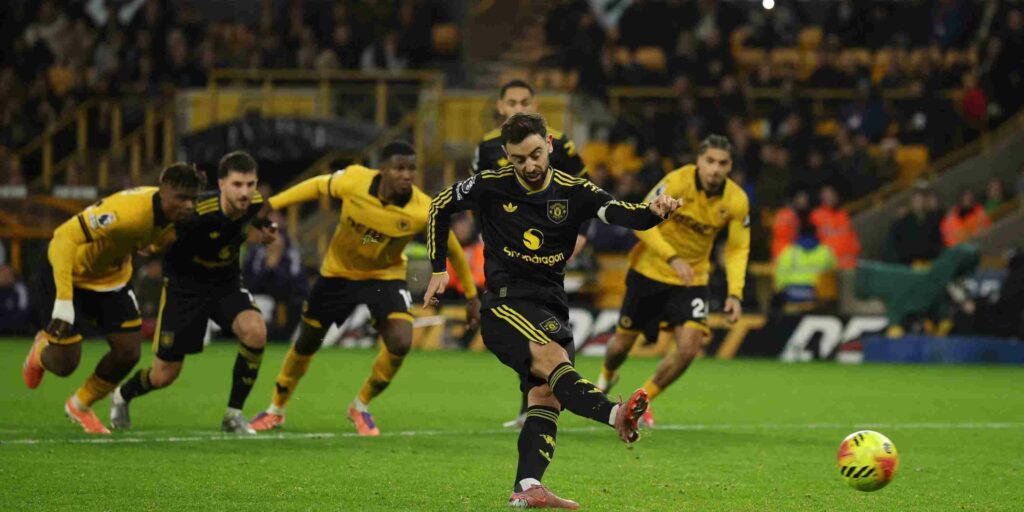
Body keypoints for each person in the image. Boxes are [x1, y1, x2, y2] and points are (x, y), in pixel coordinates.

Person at [423, 113, 680, 508]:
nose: (528, 165)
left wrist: (655, 211)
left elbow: (621, 213)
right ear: (506, 155)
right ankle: (616, 414)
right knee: (552, 360)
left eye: (535, 155)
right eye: (518, 159)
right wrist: (439, 268)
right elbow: (439, 204)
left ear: (549, 144)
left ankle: (527, 485)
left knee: (545, 396)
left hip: (551, 305)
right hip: (505, 303)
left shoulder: (574, 191)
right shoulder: (491, 184)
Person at [249, 141, 480, 435]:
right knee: (307, 341)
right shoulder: (354, 180)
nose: (406, 175)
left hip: (385, 277)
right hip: (338, 274)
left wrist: (472, 296)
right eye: (399, 168)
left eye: (411, 168)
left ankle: (360, 405)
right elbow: (318, 186)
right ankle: (276, 410)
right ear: (382, 169)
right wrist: (273, 204)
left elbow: (454, 251)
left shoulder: (424, 210)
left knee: (401, 341)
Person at [22, 163, 204, 434]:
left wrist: (153, 243)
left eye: (193, 199)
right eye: (182, 198)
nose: (189, 205)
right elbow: (63, 237)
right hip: (69, 271)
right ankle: (39, 352)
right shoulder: (126, 213)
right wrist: (63, 301)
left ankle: (80, 405)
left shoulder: (176, 215)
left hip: (110, 278)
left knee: (128, 351)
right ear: (163, 192)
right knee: (64, 363)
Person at [110, 151, 277, 434]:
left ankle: (234, 414)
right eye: (237, 184)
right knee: (164, 376)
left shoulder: (255, 203)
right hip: (184, 289)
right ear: (221, 184)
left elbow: (259, 214)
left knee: (255, 332)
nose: (245, 192)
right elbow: (160, 234)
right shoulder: (197, 211)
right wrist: (147, 245)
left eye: (250, 184)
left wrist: (264, 229)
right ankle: (121, 395)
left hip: (225, 285)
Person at [597, 135, 750, 428]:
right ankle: (606, 376)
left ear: (730, 166)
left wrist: (735, 293)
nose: (715, 169)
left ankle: (641, 400)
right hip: (649, 271)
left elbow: (737, 249)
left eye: (722, 163)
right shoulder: (677, 182)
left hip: (693, 279)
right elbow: (641, 222)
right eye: (710, 161)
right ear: (699, 161)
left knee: (689, 348)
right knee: (620, 347)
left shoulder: (736, 200)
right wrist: (672, 257)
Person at [473, 79, 590, 429]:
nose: (518, 108)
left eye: (524, 101)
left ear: (535, 104)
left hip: (548, 247)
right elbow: (478, 197)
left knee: (545, 323)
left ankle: (550, 396)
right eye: (511, 102)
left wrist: (581, 233)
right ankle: (536, 403)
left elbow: (585, 188)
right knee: (523, 328)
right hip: (507, 252)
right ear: (500, 106)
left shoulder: (560, 143)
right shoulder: (487, 147)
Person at [810, 185, 861, 270]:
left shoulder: (843, 215)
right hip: (827, 266)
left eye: (831, 195)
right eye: (826, 196)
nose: (830, 198)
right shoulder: (815, 216)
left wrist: (856, 250)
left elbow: (852, 236)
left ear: (836, 197)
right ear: (821, 198)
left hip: (849, 264)